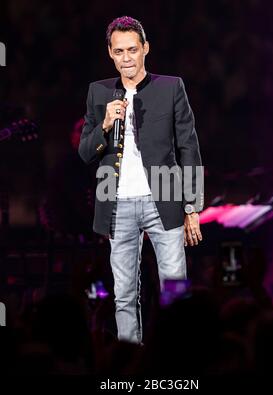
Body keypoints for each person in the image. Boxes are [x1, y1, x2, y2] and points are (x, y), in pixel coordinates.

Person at [79, 16, 204, 344]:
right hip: (117, 204)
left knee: (175, 290)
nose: (126, 58)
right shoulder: (99, 92)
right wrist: (104, 124)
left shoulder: (170, 87)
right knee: (123, 295)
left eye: (132, 49)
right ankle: (129, 361)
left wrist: (192, 206)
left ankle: (177, 355)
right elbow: (85, 152)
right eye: (119, 51)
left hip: (163, 197)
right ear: (110, 52)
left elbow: (189, 148)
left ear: (145, 48)